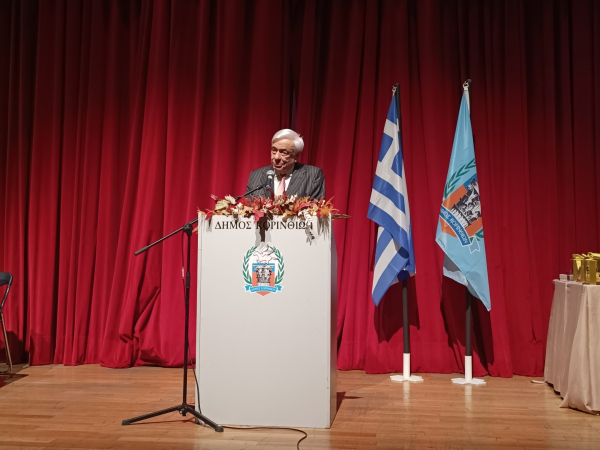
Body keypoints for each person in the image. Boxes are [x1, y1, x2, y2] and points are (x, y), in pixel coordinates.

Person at [245, 129, 325, 200]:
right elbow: (247, 207)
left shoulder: (313, 175)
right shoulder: (256, 175)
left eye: (284, 152)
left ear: (296, 156)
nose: (276, 157)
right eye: (274, 150)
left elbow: (316, 209)